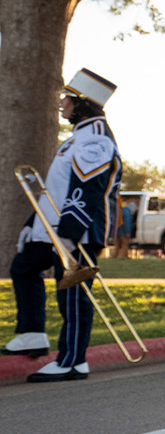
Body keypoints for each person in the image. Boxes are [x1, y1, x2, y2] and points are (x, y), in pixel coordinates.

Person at [6, 68, 123, 378]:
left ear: (82, 104)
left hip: (78, 231)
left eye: (67, 98)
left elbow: (88, 190)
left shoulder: (95, 140)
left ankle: (73, 360)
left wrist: (70, 234)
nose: (61, 103)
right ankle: (32, 334)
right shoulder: (78, 138)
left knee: (71, 294)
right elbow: (55, 190)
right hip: (53, 228)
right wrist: (34, 224)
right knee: (23, 267)